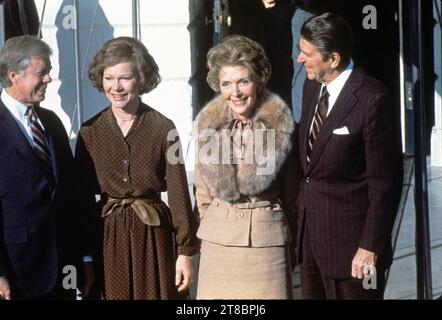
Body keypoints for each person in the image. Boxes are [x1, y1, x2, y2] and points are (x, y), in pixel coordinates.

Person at [75, 36, 198, 300]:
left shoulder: (165, 128)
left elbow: (178, 195)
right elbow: (80, 201)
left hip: (153, 237)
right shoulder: (89, 132)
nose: (116, 87)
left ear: (141, 79)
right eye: (109, 78)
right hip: (106, 239)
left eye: (125, 78)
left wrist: (184, 252)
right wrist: (84, 256)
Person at [295, 13, 403, 299]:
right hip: (312, 249)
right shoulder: (311, 86)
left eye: (306, 53)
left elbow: (386, 186)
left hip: (353, 253)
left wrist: (369, 247)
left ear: (333, 59)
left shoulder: (372, 99)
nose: (299, 59)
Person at [193, 35, 300, 299]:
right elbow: (202, 193)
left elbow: (293, 195)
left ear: (259, 79)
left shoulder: (281, 124)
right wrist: (216, 224)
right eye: (227, 84)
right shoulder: (208, 125)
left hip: (267, 245)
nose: (236, 92)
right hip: (218, 246)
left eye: (243, 81)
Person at [0, 35, 94, 299]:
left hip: (64, 268)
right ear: (13, 75)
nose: (49, 80)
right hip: (18, 272)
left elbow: (73, 196)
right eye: (41, 73)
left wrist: (84, 258)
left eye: (49, 72)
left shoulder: (52, 123)